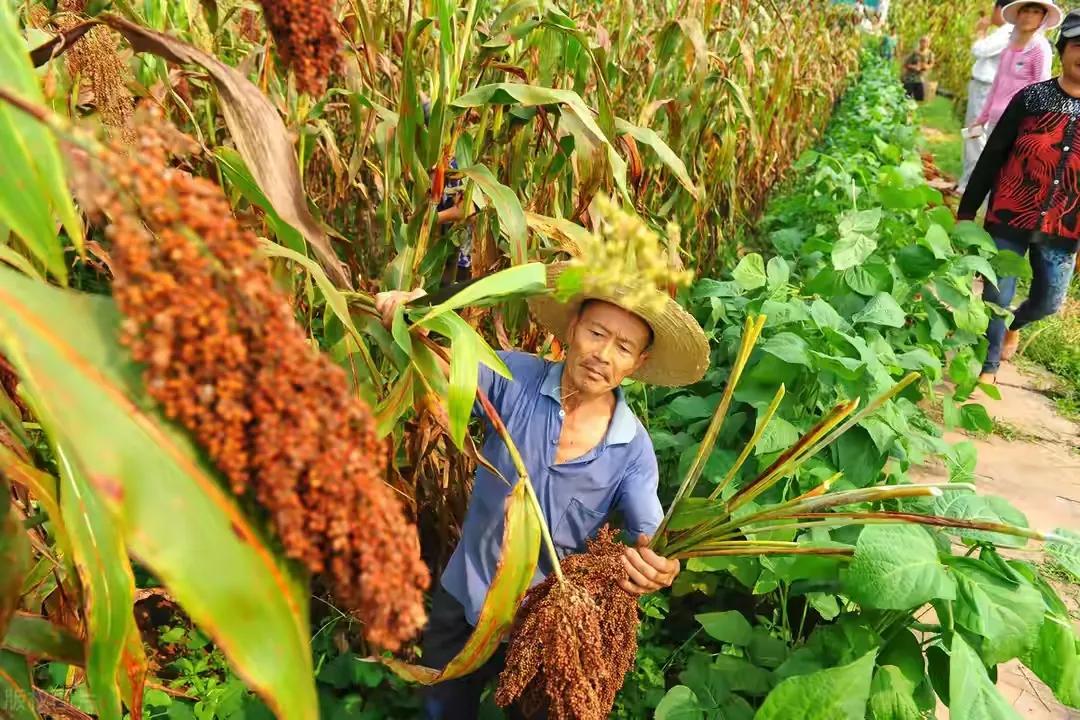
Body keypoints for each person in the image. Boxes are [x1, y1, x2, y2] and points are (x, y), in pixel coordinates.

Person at [375, 265, 710, 718]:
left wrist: (659, 567)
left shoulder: (632, 450)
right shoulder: (514, 375)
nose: (603, 355)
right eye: (596, 332)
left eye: (624, 347)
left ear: (639, 363)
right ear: (573, 328)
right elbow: (443, 366)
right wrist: (411, 321)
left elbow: (650, 535)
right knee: (441, 708)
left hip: (545, 625)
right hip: (466, 598)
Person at [958, 6, 1080, 385]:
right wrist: (967, 210)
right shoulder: (1031, 99)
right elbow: (993, 154)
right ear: (1064, 49)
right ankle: (988, 366)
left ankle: (1016, 325)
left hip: (1065, 226)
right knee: (996, 294)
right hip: (1009, 216)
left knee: (1048, 302)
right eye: (1079, 45)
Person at [967, 1, 1060, 138]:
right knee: (989, 157)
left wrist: (1034, 126)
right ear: (1018, 14)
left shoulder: (1039, 48)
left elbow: (1041, 88)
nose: (1029, 16)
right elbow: (997, 85)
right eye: (1025, 11)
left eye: (1035, 12)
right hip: (996, 119)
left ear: (1043, 18)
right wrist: (982, 119)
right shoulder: (1009, 47)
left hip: (1018, 122)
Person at [957, 0, 1014, 194]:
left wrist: (981, 32)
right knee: (972, 134)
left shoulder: (1008, 31)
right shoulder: (1004, 31)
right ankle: (966, 181)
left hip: (986, 89)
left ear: (1001, 9)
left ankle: (971, 185)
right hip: (982, 87)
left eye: (993, 10)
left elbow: (980, 49)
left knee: (975, 134)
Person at [903, 36, 935, 102]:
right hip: (910, 78)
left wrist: (926, 66)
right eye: (923, 42)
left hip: (921, 79)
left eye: (927, 42)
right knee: (906, 97)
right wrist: (914, 67)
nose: (925, 44)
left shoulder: (930, 54)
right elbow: (905, 64)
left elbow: (931, 64)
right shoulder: (914, 53)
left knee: (919, 99)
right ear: (920, 43)